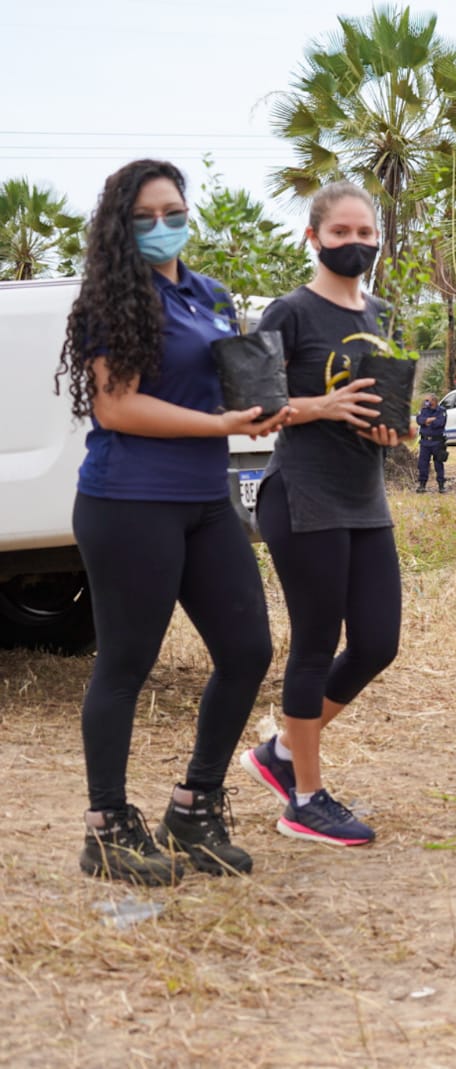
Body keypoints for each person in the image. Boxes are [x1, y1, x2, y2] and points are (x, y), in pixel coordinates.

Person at [56, 159, 288, 884]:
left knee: (248, 647)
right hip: (129, 501)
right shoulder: (110, 299)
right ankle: (107, 826)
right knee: (126, 662)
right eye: (144, 216)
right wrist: (215, 420)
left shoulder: (209, 295)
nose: (163, 226)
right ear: (120, 228)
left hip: (202, 499)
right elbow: (116, 407)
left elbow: (230, 384)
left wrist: (270, 405)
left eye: (173, 211)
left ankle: (193, 806)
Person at [239, 180, 410, 847]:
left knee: (377, 642)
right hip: (302, 494)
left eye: (365, 234)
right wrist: (323, 407)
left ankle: (282, 748)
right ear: (313, 237)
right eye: (340, 234)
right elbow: (254, 409)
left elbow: (386, 410)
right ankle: (303, 798)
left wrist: (386, 432)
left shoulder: (384, 314)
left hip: (365, 496)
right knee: (313, 645)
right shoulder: (289, 313)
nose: (355, 244)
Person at [416, 393, 448, 491]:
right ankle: (422, 485)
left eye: (428, 400)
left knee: (438, 463)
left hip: (437, 442)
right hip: (425, 442)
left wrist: (428, 421)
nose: (426, 402)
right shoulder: (424, 410)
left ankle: (441, 485)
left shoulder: (441, 411)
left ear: (434, 401)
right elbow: (419, 420)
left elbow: (440, 423)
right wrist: (429, 420)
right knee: (423, 464)